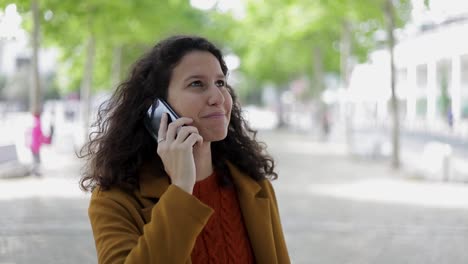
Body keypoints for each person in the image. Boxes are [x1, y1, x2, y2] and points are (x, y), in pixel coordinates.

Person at [79, 35, 290, 264]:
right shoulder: (114, 200)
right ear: (157, 108)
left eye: (220, 83)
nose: (218, 97)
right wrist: (181, 188)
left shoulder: (253, 186)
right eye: (197, 84)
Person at [30, 112, 52, 176]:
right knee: (36, 159)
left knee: (35, 159)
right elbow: (40, 136)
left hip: (33, 145)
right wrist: (47, 140)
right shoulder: (38, 123)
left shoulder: (34, 122)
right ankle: (35, 172)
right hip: (35, 145)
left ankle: (35, 172)